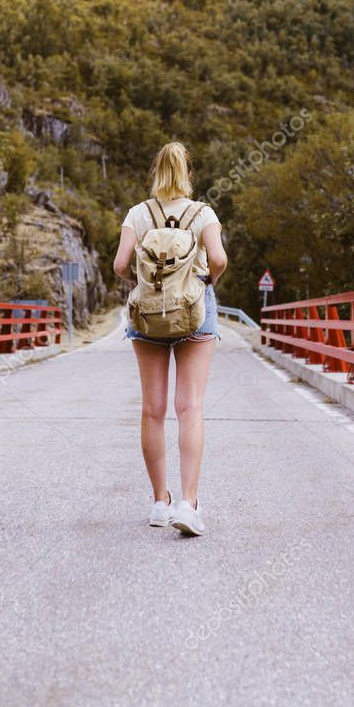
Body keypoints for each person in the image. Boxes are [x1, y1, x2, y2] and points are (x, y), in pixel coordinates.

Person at [113, 142, 227, 536]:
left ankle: (159, 503)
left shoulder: (138, 213)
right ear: (187, 173)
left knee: (153, 409)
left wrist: (144, 285)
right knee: (189, 407)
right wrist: (207, 282)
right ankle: (188, 503)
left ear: (156, 171)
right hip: (195, 309)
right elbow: (220, 258)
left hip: (147, 314)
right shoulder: (203, 213)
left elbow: (120, 264)